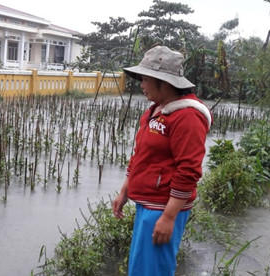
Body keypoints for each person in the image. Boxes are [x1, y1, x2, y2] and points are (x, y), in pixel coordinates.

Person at [112, 45, 212, 275]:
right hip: (145, 204)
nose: (142, 84)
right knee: (140, 267)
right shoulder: (154, 111)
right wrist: (124, 192)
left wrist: (168, 216)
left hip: (163, 207)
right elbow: (140, 155)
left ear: (164, 82)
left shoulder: (187, 117)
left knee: (154, 269)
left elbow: (189, 170)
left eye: (146, 79)